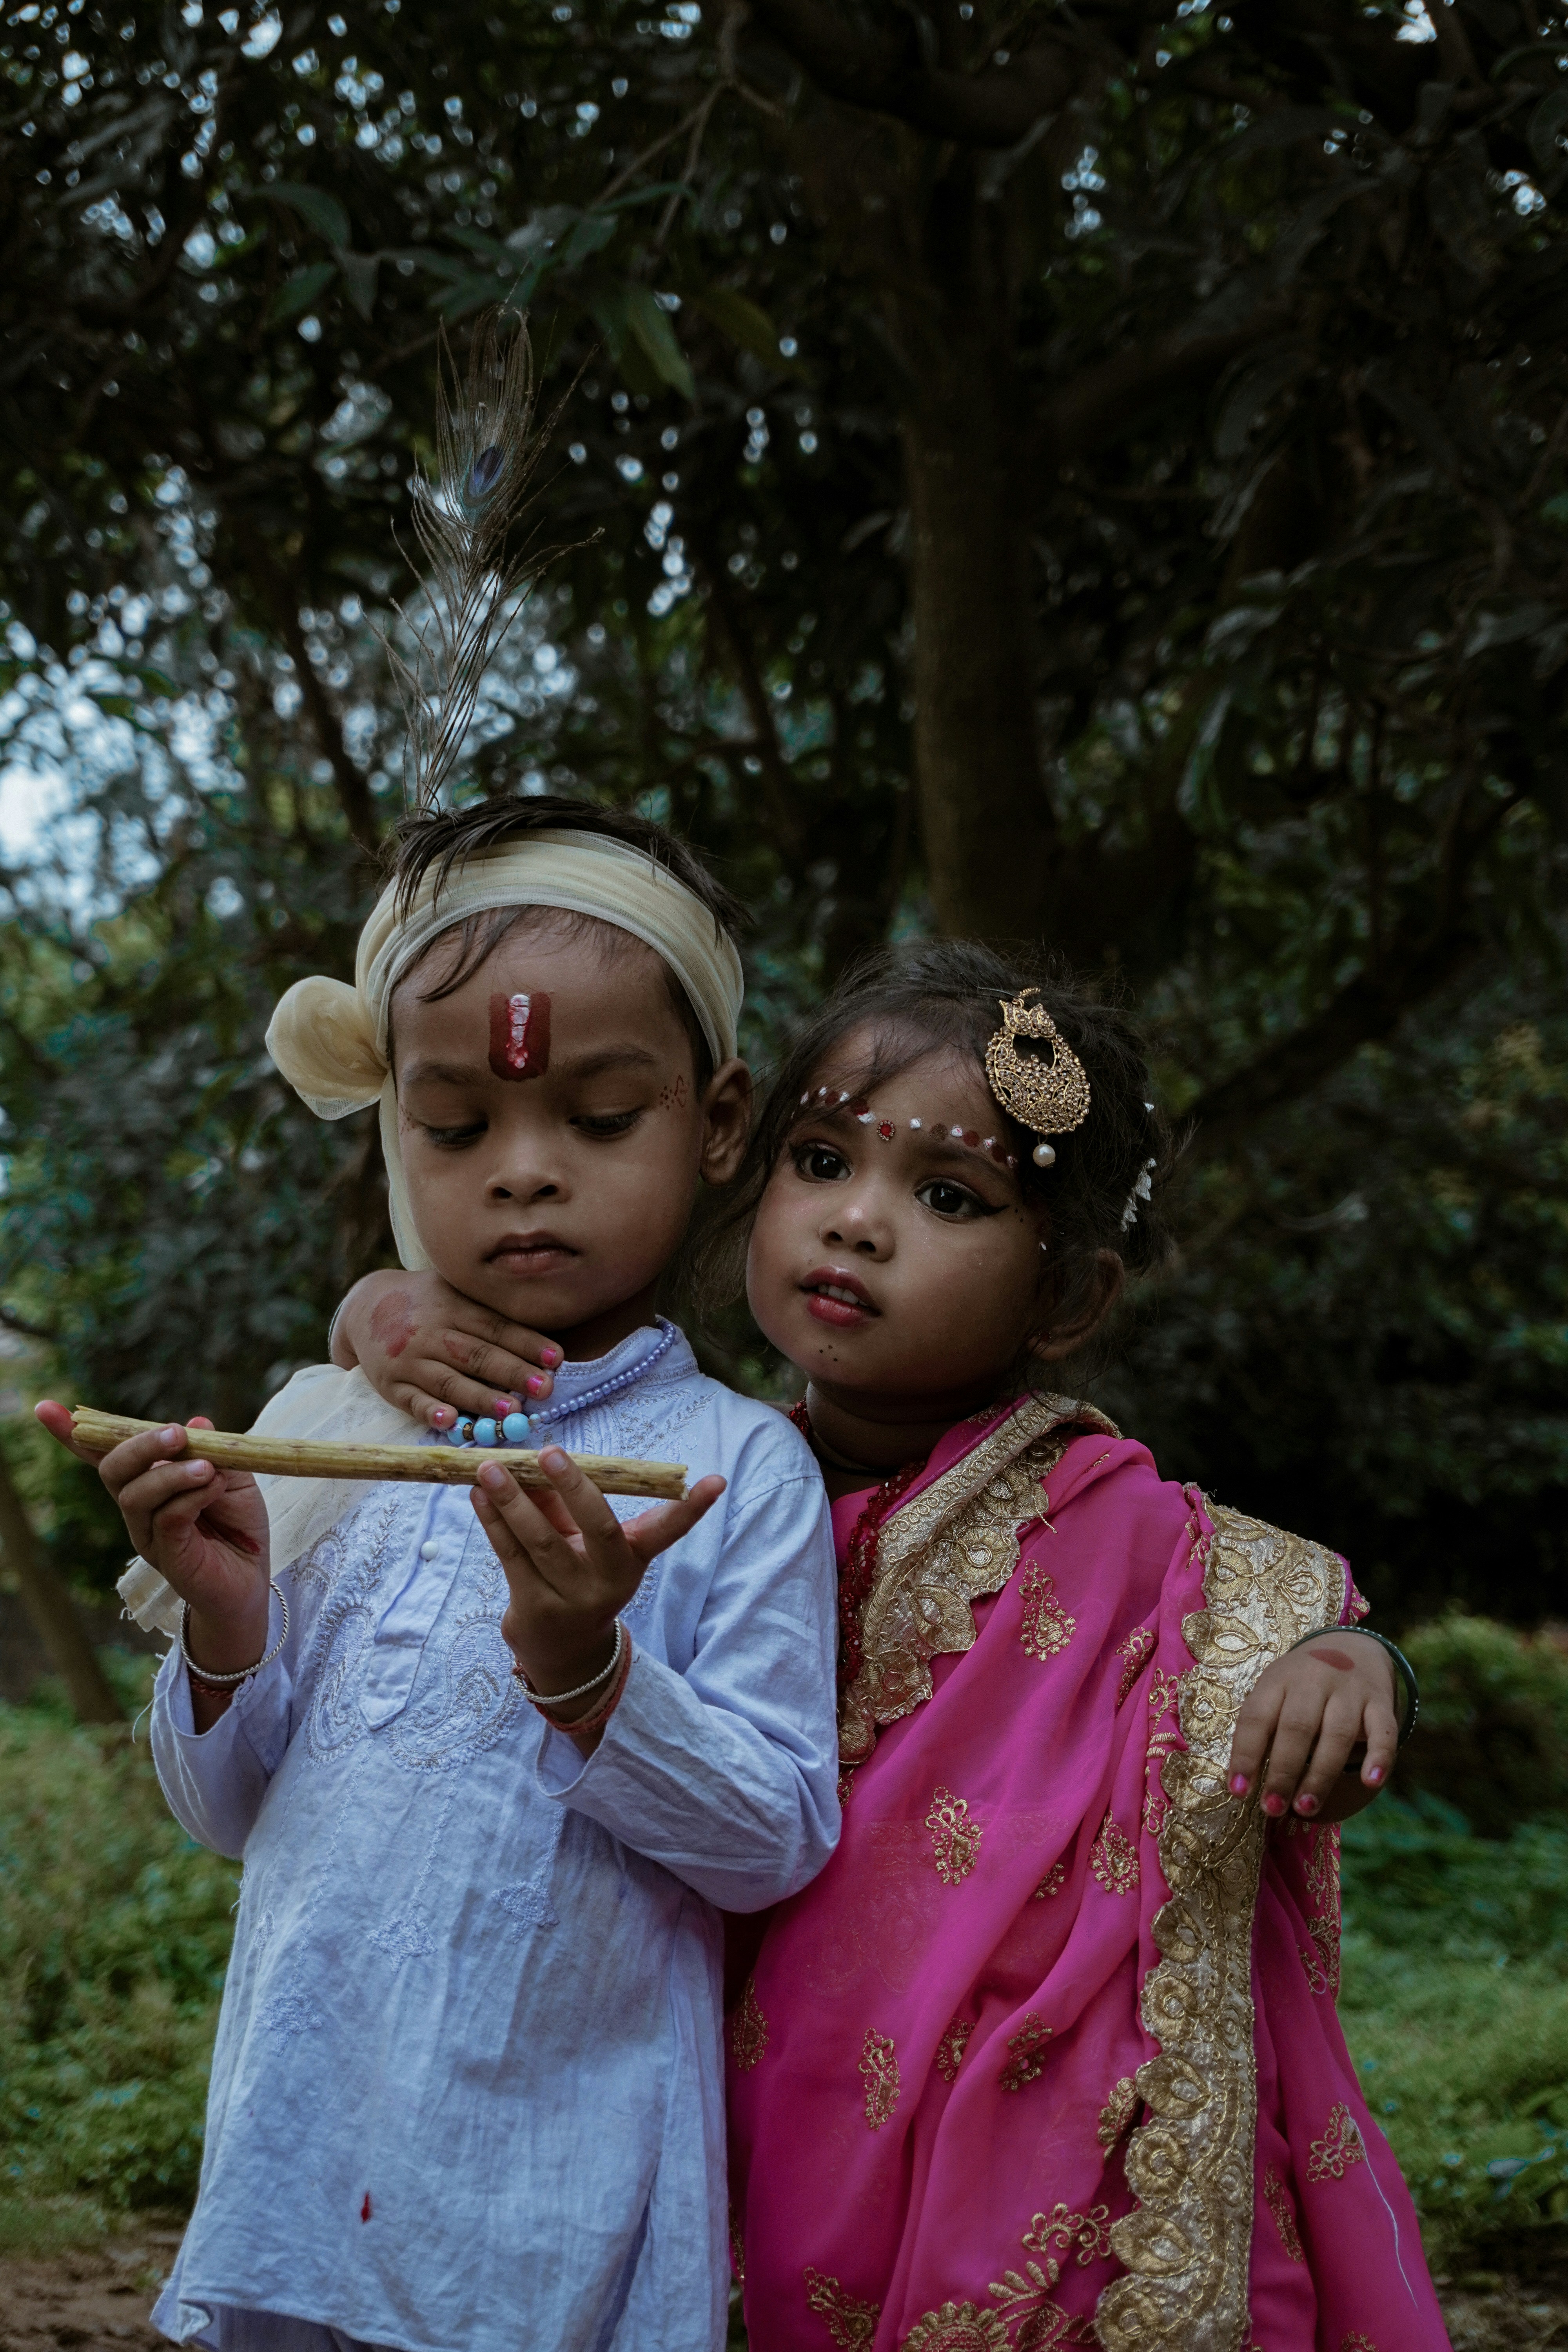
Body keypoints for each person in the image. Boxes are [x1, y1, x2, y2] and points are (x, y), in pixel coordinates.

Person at [338, 939, 1452, 2348]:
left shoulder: (1126, 1536)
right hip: (749, 2122)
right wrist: (374, 1311)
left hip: (1054, 2179)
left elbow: (1285, 1644)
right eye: (821, 1163)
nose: (857, 1223)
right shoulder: (688, 1478)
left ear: (1070, 1300)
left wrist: (1355, 1673)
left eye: (947, 1196)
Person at [38, 796, 840, 2352]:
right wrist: (225, 1622)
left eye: (599, 1118)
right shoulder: (331, 1429)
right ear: (394, 1127)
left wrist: (588, 1673)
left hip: (552, 2224)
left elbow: (773, 1842)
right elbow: (229, 1816)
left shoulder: (733, 1470)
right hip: (298, 2177)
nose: (524, 1174)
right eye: (459, 1128)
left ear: (719, 1120)